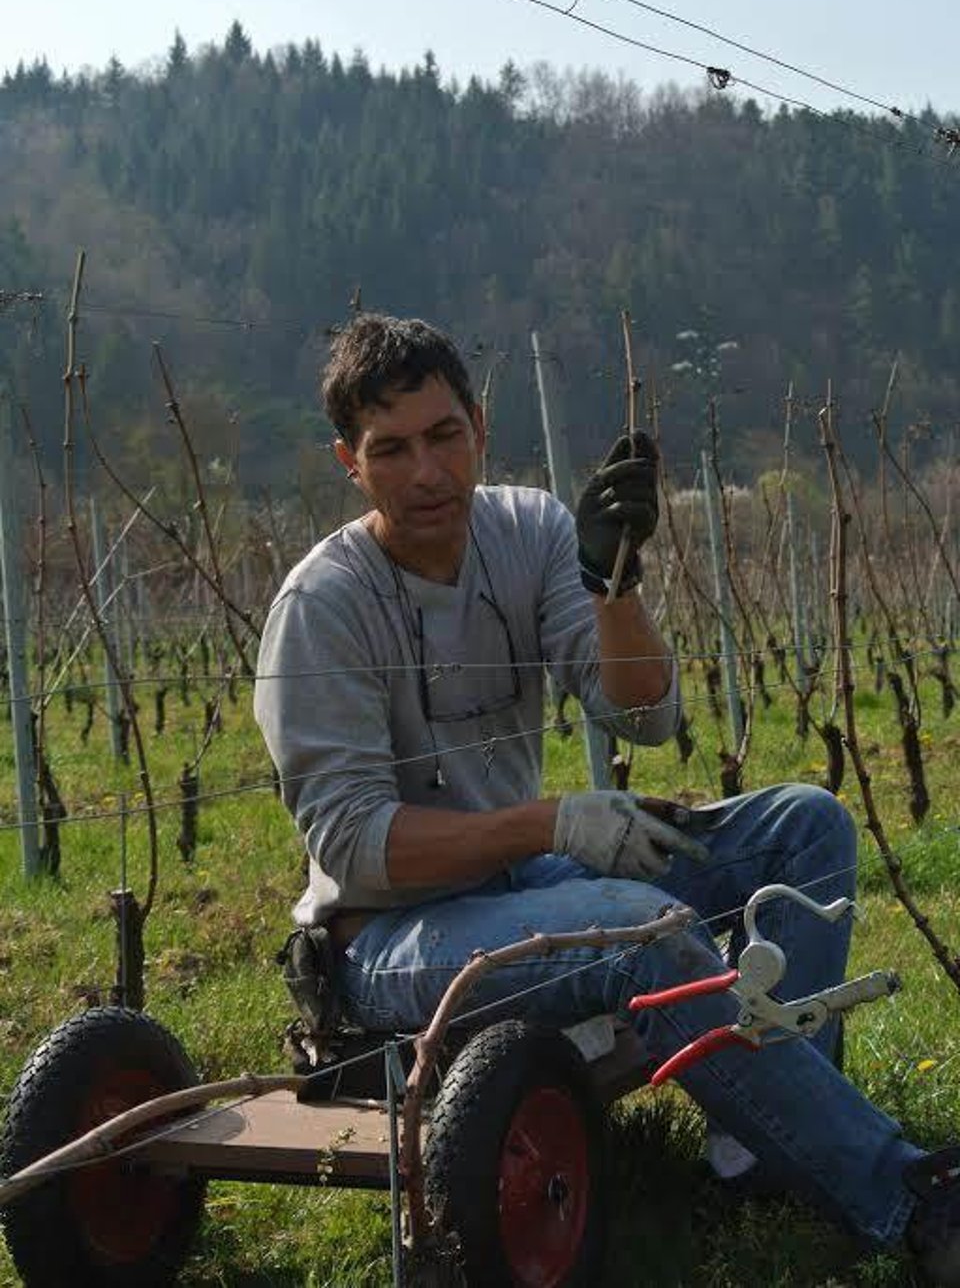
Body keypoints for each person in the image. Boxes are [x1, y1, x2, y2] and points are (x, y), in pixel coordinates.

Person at [255, 312, 960, 1282]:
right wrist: (553, 821)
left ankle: (759, 1147)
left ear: (481, 427)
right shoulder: (323, 605)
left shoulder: (528, 530)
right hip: (384, 939)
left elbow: (643, 715)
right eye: (391, 449)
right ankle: (903, 1195)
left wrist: (612, 587)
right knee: (642, 930)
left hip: (515, 883)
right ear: (350, 462)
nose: (426, 472)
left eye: (444, 435)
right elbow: (356, 845)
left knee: (805, 826)